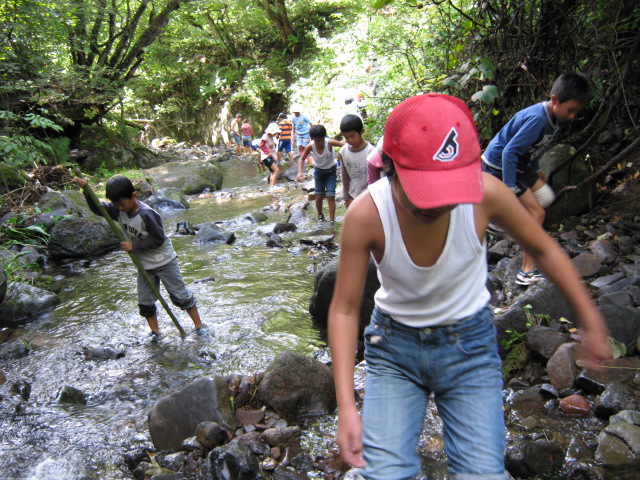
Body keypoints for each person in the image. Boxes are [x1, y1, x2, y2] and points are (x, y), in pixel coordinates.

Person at [328, 93, 611, 480]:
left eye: (448, 189)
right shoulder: (366, 215)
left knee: (481, 473)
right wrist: (346, 406)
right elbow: (344, 309)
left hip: (470, 351)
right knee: (384, 473)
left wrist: (590, 317)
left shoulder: (484, 194)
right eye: (426, 190)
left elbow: (543, 248)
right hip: (393, 352)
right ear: (390, 165)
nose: (439, 204)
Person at [482, 72, 590, 286]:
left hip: (521, 164)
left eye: (575, 113)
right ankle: (525, 270)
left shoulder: (554, 117)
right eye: (570, 111)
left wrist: (535, 169)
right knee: (538, 213)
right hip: (499, 165)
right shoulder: (537, 119)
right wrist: (509, 188)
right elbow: (509, 152)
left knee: (546, 197)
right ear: (554, 100)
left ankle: (507, 218)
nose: (571, 117)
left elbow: (532, 147)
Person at [75, 175, 205, 340]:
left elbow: (158, 239)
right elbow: (98, 209)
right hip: (144, 265)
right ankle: (155, 332)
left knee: (180, 296)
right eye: (116, 204)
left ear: (134, 196)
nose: (119, 208)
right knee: (145, 302)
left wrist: (134, 246)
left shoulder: (147, 214)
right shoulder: (119, 211)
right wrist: (86, 190)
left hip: (164, 261)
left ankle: (199, 325)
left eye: (122, 203)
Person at [296, 124, 344, 222]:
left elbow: (343, 144)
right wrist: (300, 172)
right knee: (318, 195)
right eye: (317, 141)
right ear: (312, 139)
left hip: (331, 172)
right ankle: (320, 215)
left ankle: (331, 220)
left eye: (321, 140)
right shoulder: (310, 146)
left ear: (324, 137)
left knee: (331, 195)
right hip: (318, 172)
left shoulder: (329, 143)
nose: (320, 143)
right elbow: (301, 159)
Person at [337, 115, 375, 208]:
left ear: (361, 131)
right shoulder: (343, 152)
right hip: (353, 195)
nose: (349, 140)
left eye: (352, 136)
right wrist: (346, 198)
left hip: (370, 196)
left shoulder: (371, 151)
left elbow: (376, 178)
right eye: (346, 137)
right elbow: (345, 177)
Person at [258, 122, 281, 189]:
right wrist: (267, 152)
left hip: (270, 157)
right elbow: (261, 146)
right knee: (276, 170)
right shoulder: (265, 136)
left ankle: (271, 185)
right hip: (266, 157)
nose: (275, 134)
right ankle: (272, 187)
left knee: (273, 171)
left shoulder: (271, 137)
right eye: (274, 132)